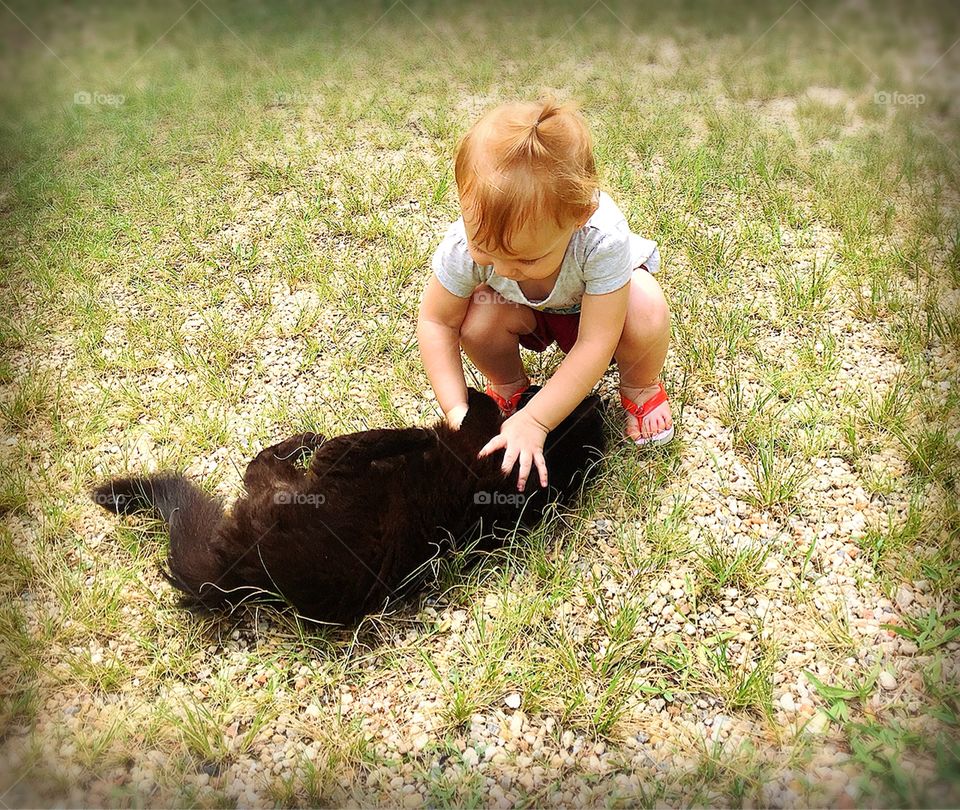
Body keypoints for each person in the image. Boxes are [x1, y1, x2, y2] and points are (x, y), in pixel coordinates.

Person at [417, 96, 674, 492]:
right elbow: (437, 321)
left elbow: (595, 343)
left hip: (598, 312)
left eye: (525, 259)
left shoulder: (601, 238)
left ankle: (639, 387)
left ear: (579, 217)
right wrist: (457, 411)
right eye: (487, 251)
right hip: (522, 313)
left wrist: (537, 420)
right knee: (478, 316)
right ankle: (507, 386)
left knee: (646, 309)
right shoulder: (465, 245)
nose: (501, 269)